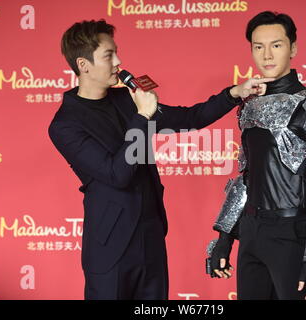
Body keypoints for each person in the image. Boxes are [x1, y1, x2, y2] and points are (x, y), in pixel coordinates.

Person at [48, 19, 272, 300]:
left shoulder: (126, 99)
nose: (119, 61)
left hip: (151, 235)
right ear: (83, 65)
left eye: (117, 52)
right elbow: (117, 174)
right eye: (108, 55)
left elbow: (189, 118)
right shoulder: (65, 125)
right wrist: (142, 117)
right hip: (110, 247)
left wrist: (234, 94)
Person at [207, 11, 306, 300]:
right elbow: (246, 177)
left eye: (276, 45)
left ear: (293, 48)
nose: (267, 55)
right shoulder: (249, 105)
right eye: (258, 47)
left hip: (292, 234)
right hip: (251, 232)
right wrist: (224, 237)